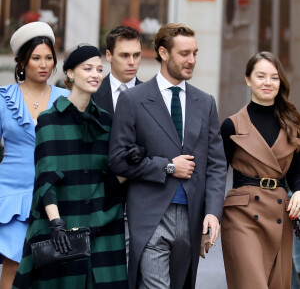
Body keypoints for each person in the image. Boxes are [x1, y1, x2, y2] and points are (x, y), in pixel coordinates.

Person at [108, 23, 227, 289]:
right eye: (184, 53)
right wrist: (168, 167)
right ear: (163, 52)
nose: (192, 60)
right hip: (149, 216)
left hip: (191, 216)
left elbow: (217, 164)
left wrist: (213, 212)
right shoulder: (133, 100)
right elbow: (117, 158)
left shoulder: (205, 102)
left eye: (195, 53)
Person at [12, 44, 135, 288]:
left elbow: (110, 177)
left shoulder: (107, 121)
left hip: (104, 224)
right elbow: (46, 178)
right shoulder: (49, 121)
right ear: (70, 73)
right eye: (87, 68)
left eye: (99, 69)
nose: (95, 74)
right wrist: (56, 224)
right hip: (63, 224)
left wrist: (130, 163)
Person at [221, 51, 300, 289]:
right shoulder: (231, 125)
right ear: (248, 79)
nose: (267, 83)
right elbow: (214, 174)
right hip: (242, 216)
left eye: (274, 77)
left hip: (280, 216)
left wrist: (298, 191)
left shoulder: (292, 125)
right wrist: (209, 216)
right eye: (261, 76)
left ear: (280, 82)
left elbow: (297, 172)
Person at [0, 21, 70, 289]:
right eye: (35, 58)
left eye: (49, 58)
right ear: (21, 62)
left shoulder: (67, 99)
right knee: (15, 263)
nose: (43, 64)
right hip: (12, 196)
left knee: (51, 270)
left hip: (55, 196)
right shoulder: (4, 98)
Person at [92, 25, 142, 116]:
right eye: (124, 55)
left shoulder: (154, 95)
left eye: (136, 55)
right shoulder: (91, 94)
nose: (132, 62)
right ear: (109, 55)